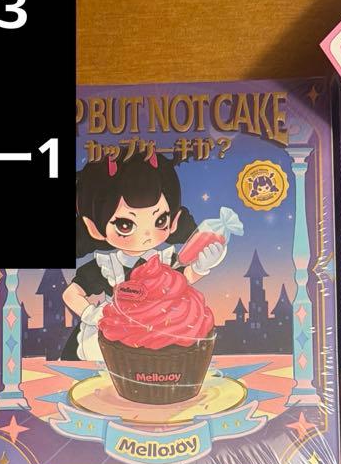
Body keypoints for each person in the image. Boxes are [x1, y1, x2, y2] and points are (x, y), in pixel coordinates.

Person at [63, 152, 226, 360]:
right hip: (115, 335)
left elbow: (183, 280)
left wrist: (201, 267)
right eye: (125, 225)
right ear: (94, 228)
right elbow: (71, 294)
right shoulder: (107, 266)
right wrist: (93, 315)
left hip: (161, 330)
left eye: (160, 220)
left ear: (174, 221)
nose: (147, 235)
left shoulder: (165, 260)